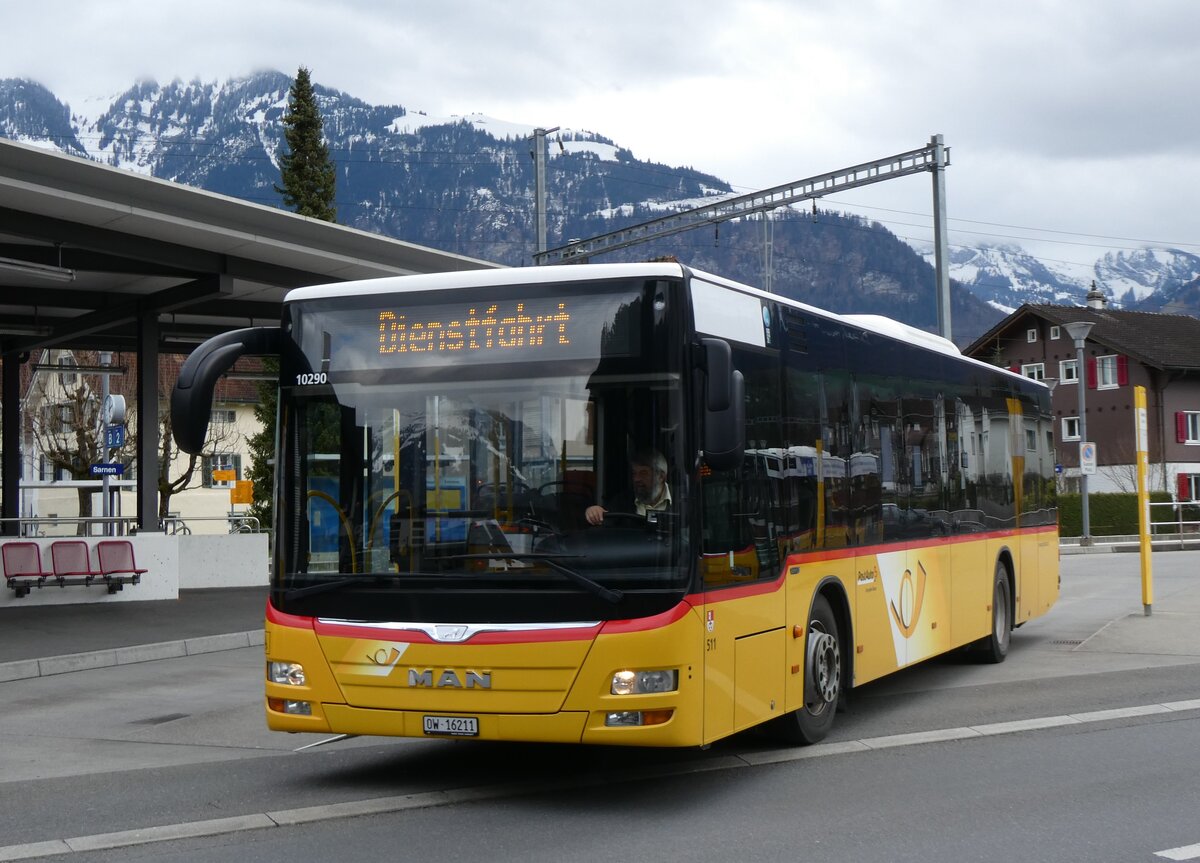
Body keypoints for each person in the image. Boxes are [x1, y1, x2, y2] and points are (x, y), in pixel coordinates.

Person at [585, 448, 671, 525]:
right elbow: (605, 521)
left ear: (660, 476)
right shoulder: (623, 500)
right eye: (634, 473)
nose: (636, 479)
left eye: (643, 473)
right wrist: (594, 512)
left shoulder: (681, 500)